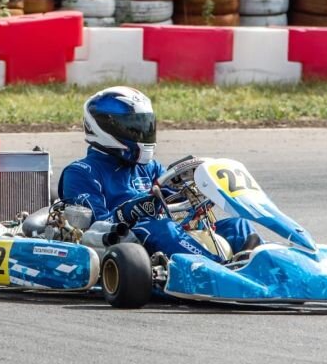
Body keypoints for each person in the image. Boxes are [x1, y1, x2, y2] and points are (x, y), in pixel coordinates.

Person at [58, 86, 259, 262]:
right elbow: (93, 230)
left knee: (238, 226)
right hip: (126, 244)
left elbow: (175, 194)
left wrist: (198, 190)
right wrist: (129, 211)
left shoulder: (149, 167)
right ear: (104, 127)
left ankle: (261, 266)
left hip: (171, 234)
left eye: (145, 126)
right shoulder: (81, 173)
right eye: (133, 128)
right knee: (163, 228)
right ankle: (220, 270)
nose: (142, 134)